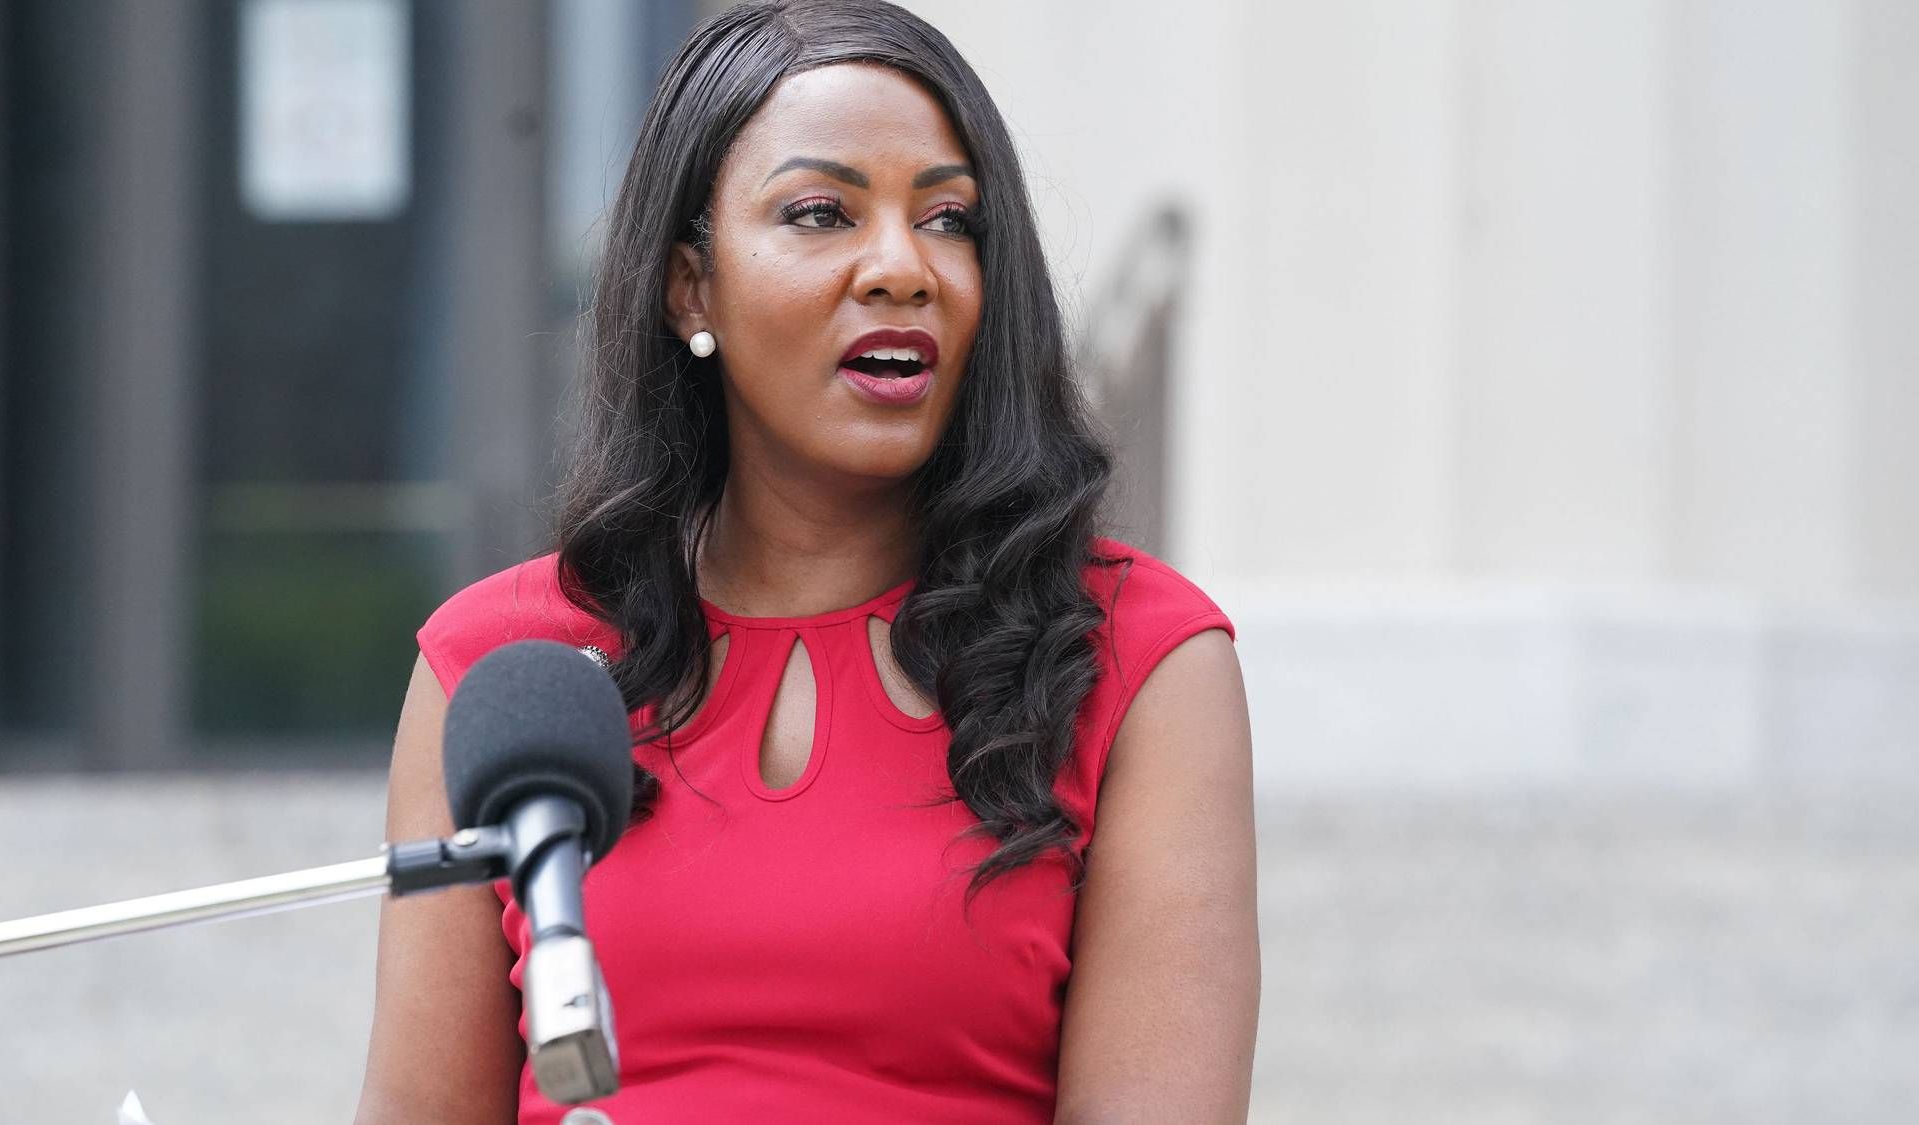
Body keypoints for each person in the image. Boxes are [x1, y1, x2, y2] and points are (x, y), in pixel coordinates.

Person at [353, 2, 1258, 1122]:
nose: (902, 267)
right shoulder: (502, 668)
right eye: (822, 213)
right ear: (689, 285)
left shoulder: (1139, 660)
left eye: (949, 219)